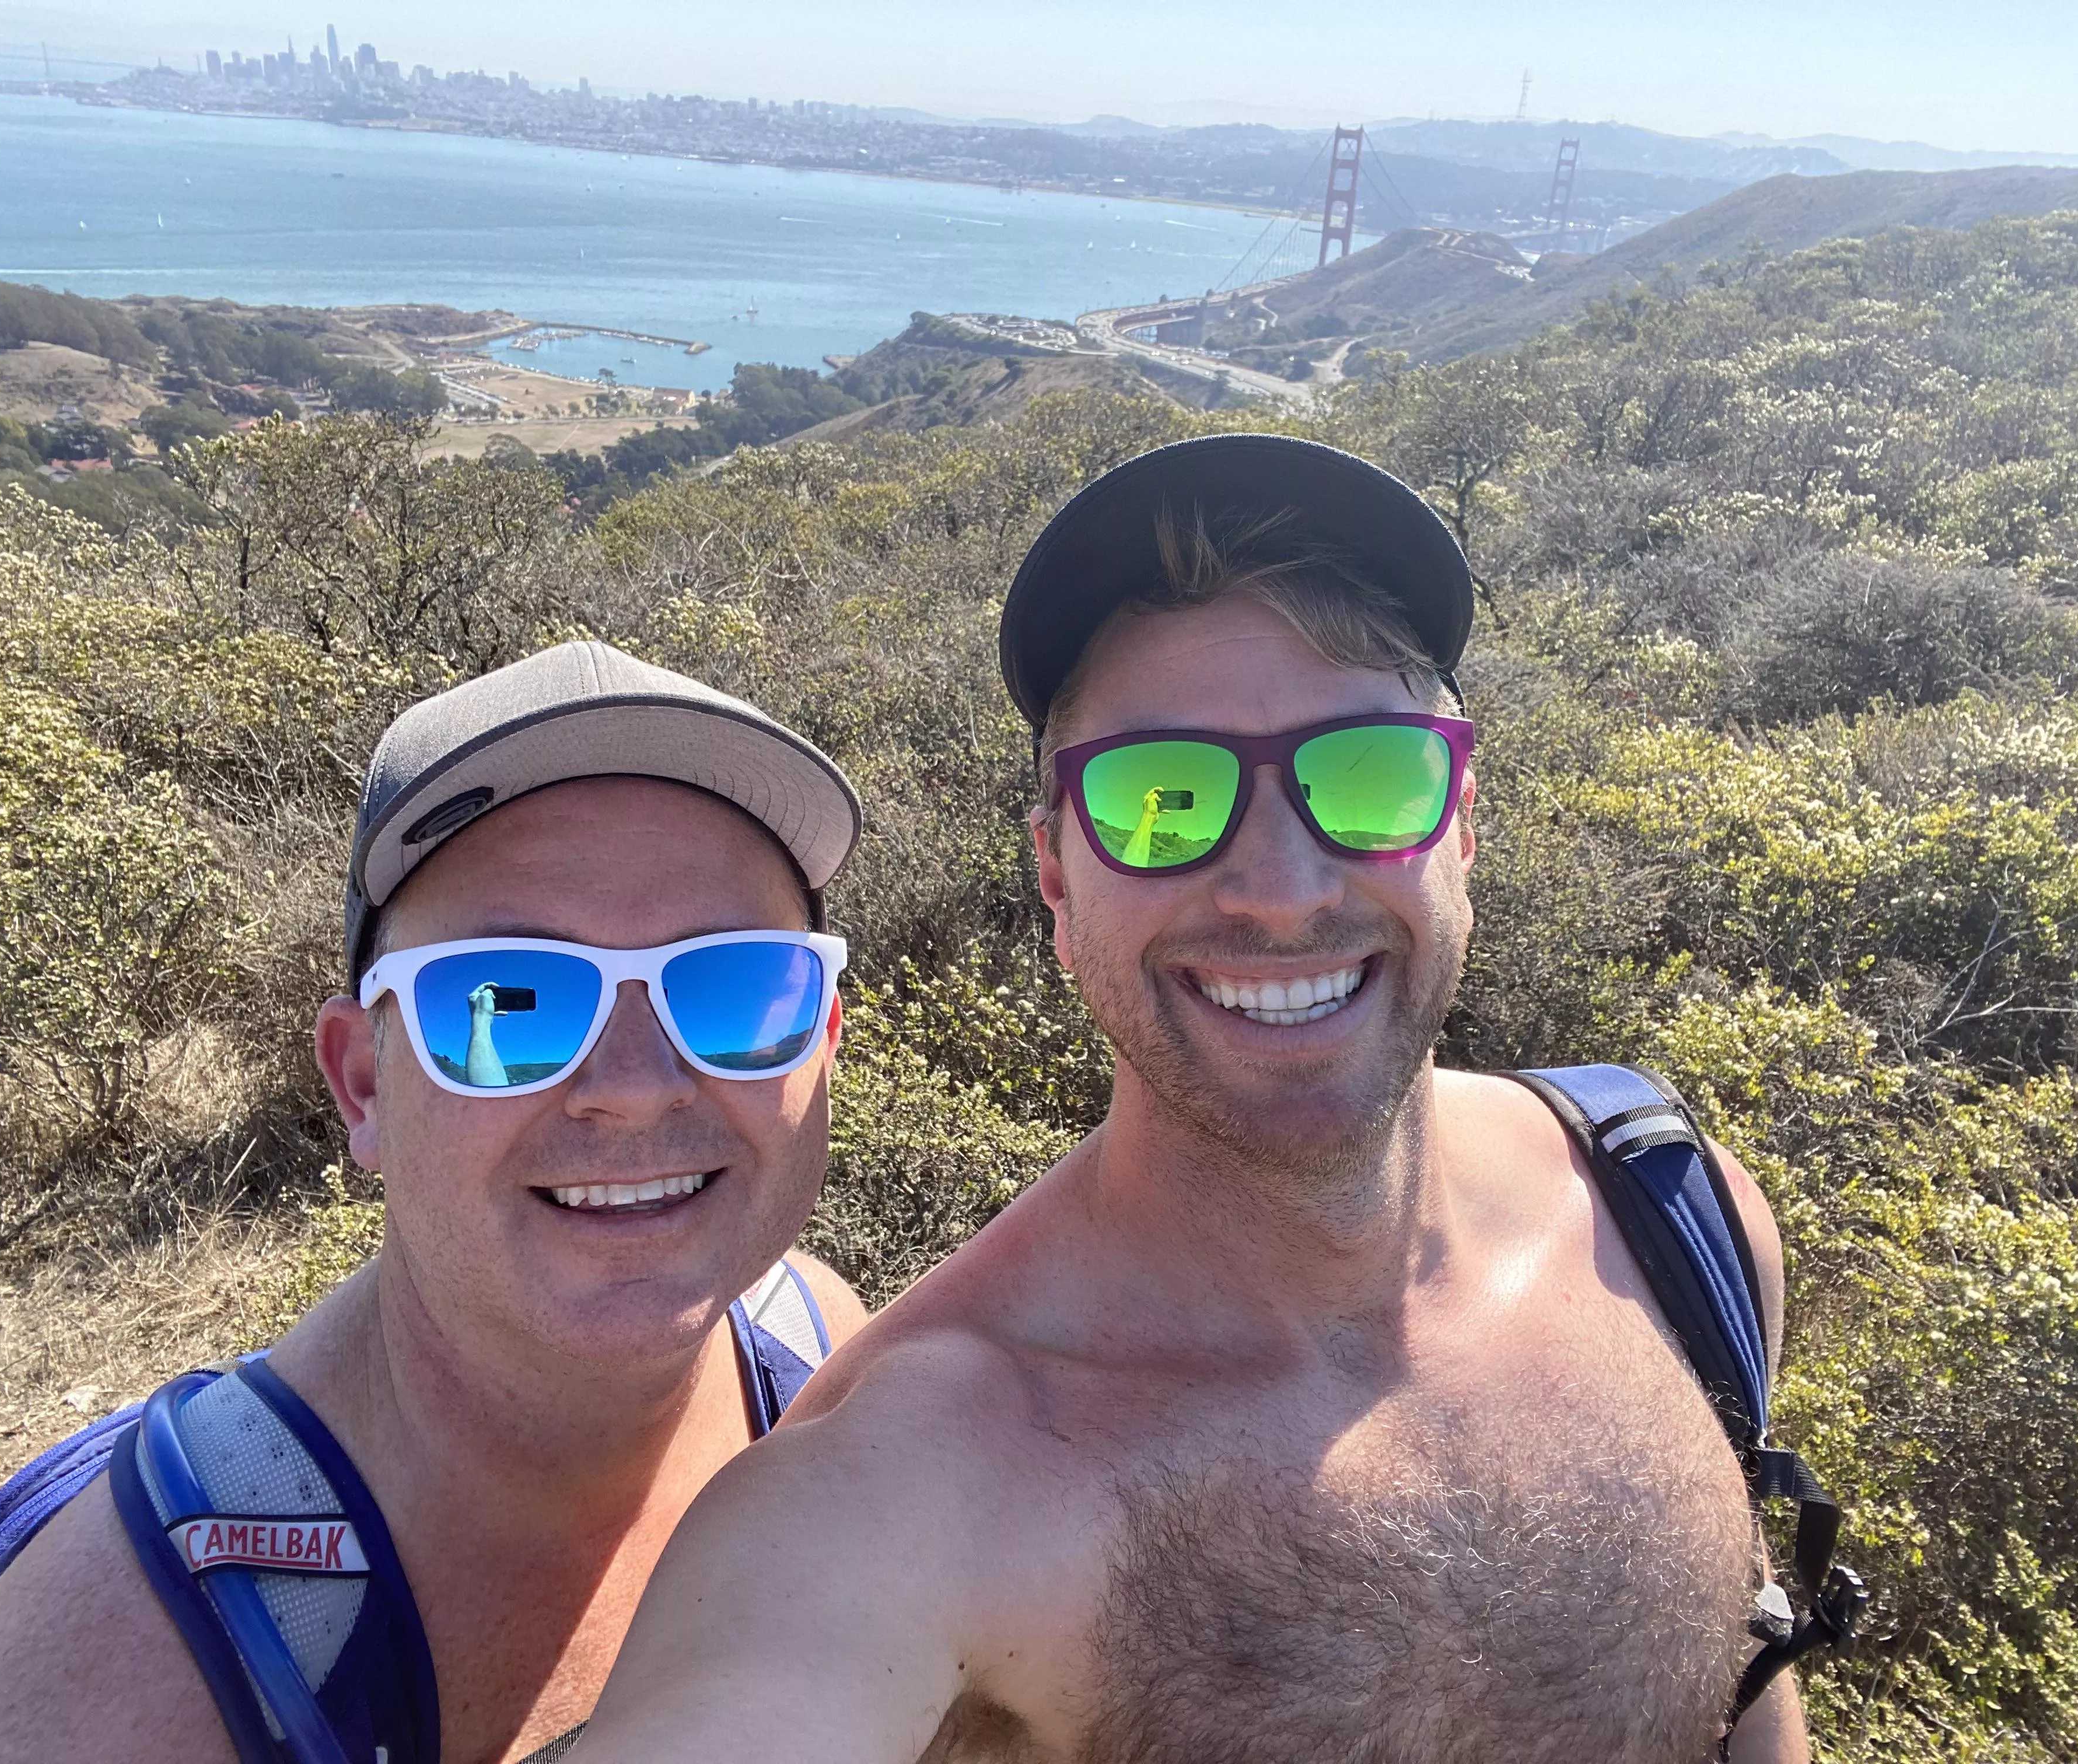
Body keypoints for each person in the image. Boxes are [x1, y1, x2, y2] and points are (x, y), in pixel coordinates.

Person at [574, 436, 1843, 1764]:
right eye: (1161, 800)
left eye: (1370, 774)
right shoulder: (903, 1488)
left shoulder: (1672, 1217)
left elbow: (1745, 1692)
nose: (1281, 892)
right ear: (1057, 878)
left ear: (1462, 823)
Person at [0, 640, 869, 1764]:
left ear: (823, 1039)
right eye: (506, 1003)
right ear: (363, 1085)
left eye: (734, 986)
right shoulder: (109, 1688)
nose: (632, 1086)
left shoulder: (819, 1359)